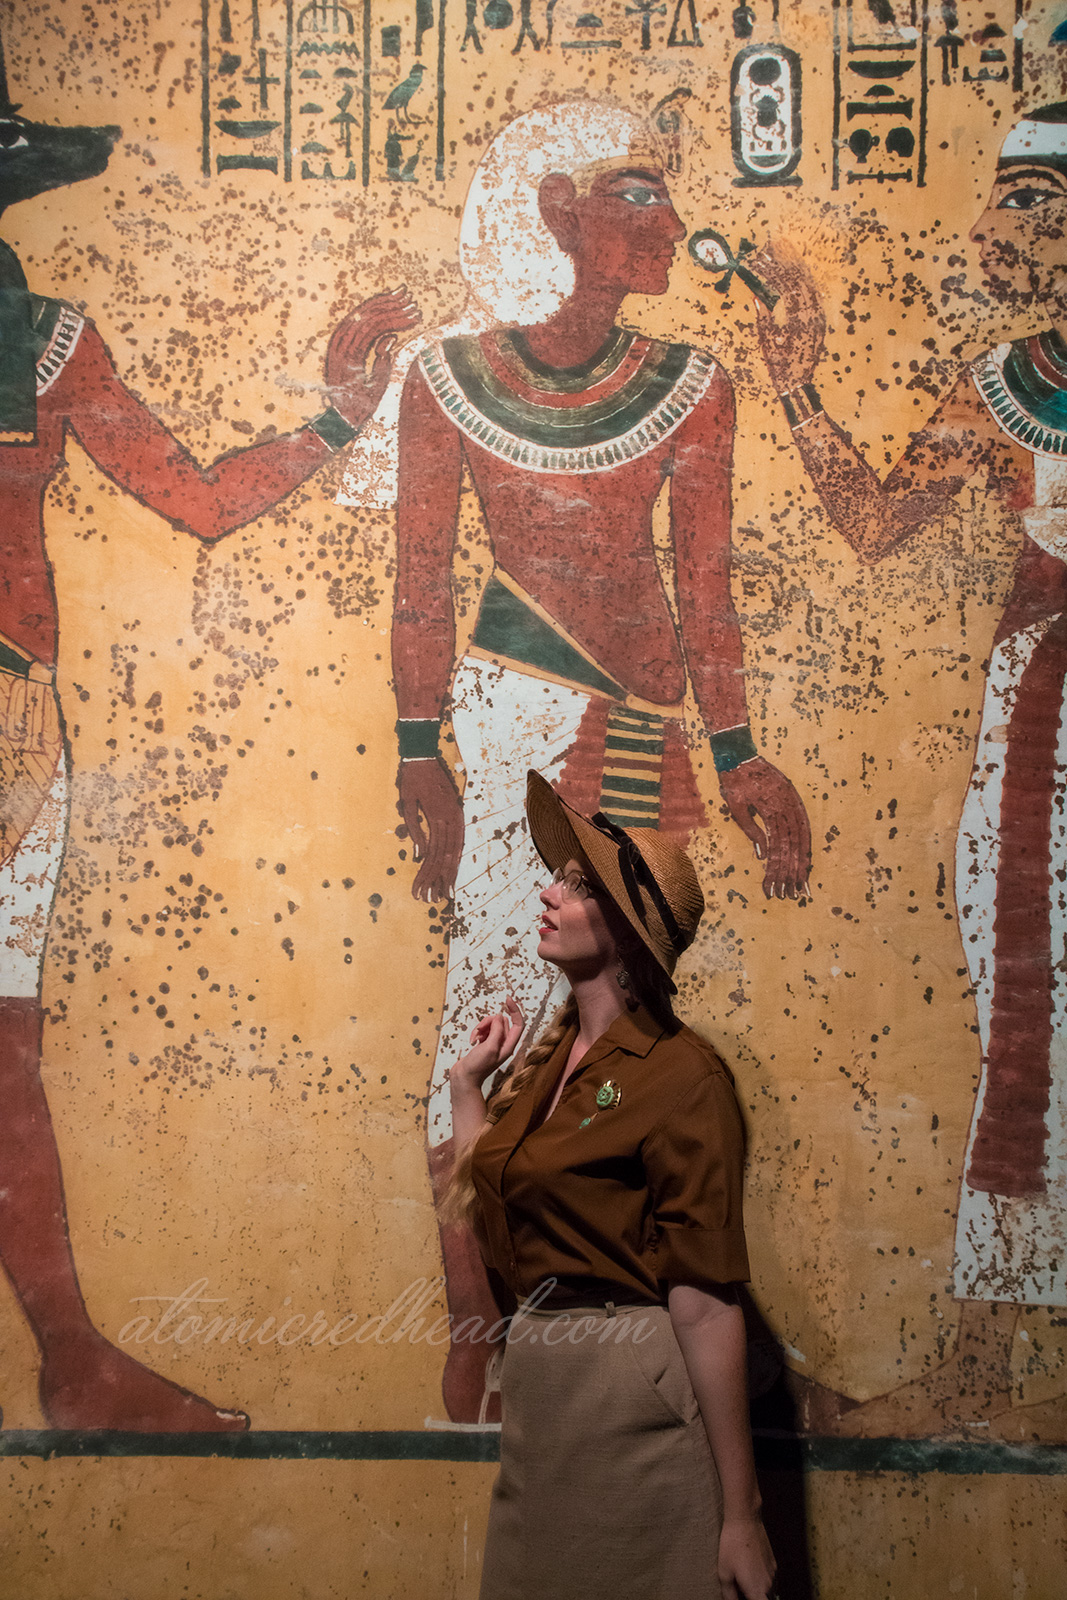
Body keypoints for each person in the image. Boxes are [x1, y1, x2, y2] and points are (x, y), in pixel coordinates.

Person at [377, 99, 811, 1422]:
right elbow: (417, 586)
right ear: (553, 211)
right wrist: (421, 758)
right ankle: (478, 1322)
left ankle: (627, 1326)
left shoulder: (692, 387)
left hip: (641, 740)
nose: (669, 226)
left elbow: (707, 586)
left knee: (635, 1036)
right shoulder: (446, 380)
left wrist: (737, 758)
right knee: (493, 1032)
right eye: (636, 196)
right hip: (511, 724)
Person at [0, 75, 418, 1430]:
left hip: (13, 723)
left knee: (8, 1043)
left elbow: (196, 499)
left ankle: (73, 1363)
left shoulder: (44, 336)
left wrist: (340, 416)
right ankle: (72, 1363)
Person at [754, 102, 1067, 1441]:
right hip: (1039, 713)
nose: (1013, 232)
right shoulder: (1011, 381)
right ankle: (986, 1371)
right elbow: (875, 520)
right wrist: (792, 381)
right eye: (1013, 202)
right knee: (1022, 1022)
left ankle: (985, 1378)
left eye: (1042, 204)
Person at [446, 770, 776, 1600]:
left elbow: (703, 1299)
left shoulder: (681, 1074)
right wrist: (466, 1091)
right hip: (545, 1391)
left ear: (626, 929)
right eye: (560, 877)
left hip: (630, 1390)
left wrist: (742, 1515)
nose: (551, 893)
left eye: (578, 886)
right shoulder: (551, 1063)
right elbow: (498, 1212)